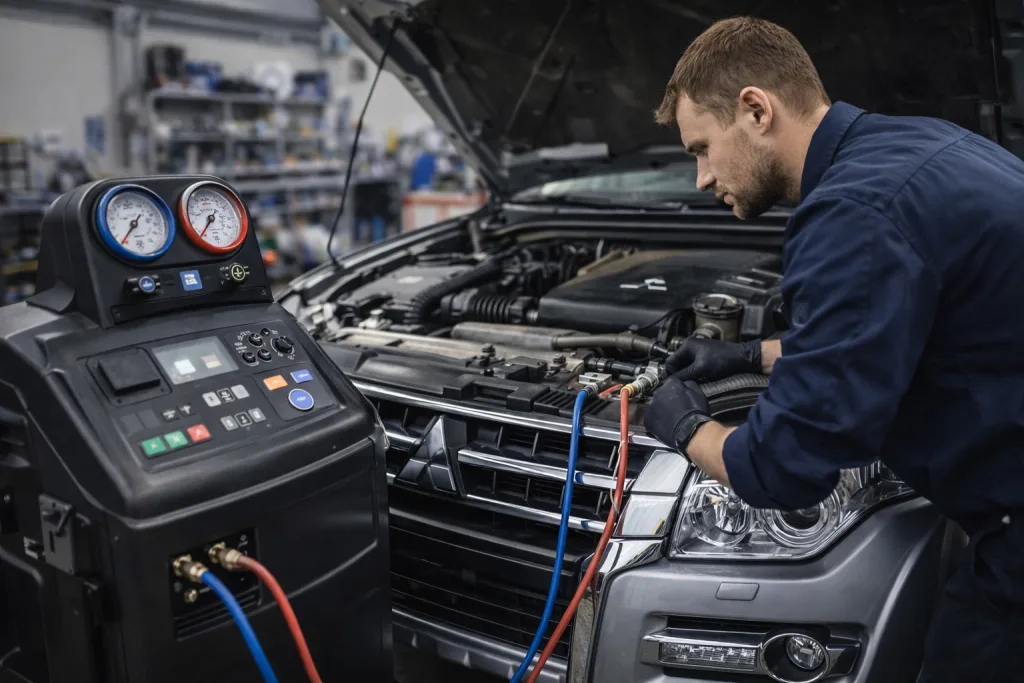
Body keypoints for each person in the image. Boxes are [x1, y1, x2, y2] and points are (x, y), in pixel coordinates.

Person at [642, 16, 1024, 683]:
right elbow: (890, 330)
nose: (701, 178)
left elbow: (783, 468)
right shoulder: (919, 143)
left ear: (756, 110)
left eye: (702, 148)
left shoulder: (852, 214)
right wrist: (751, 356)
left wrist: (684, 426)